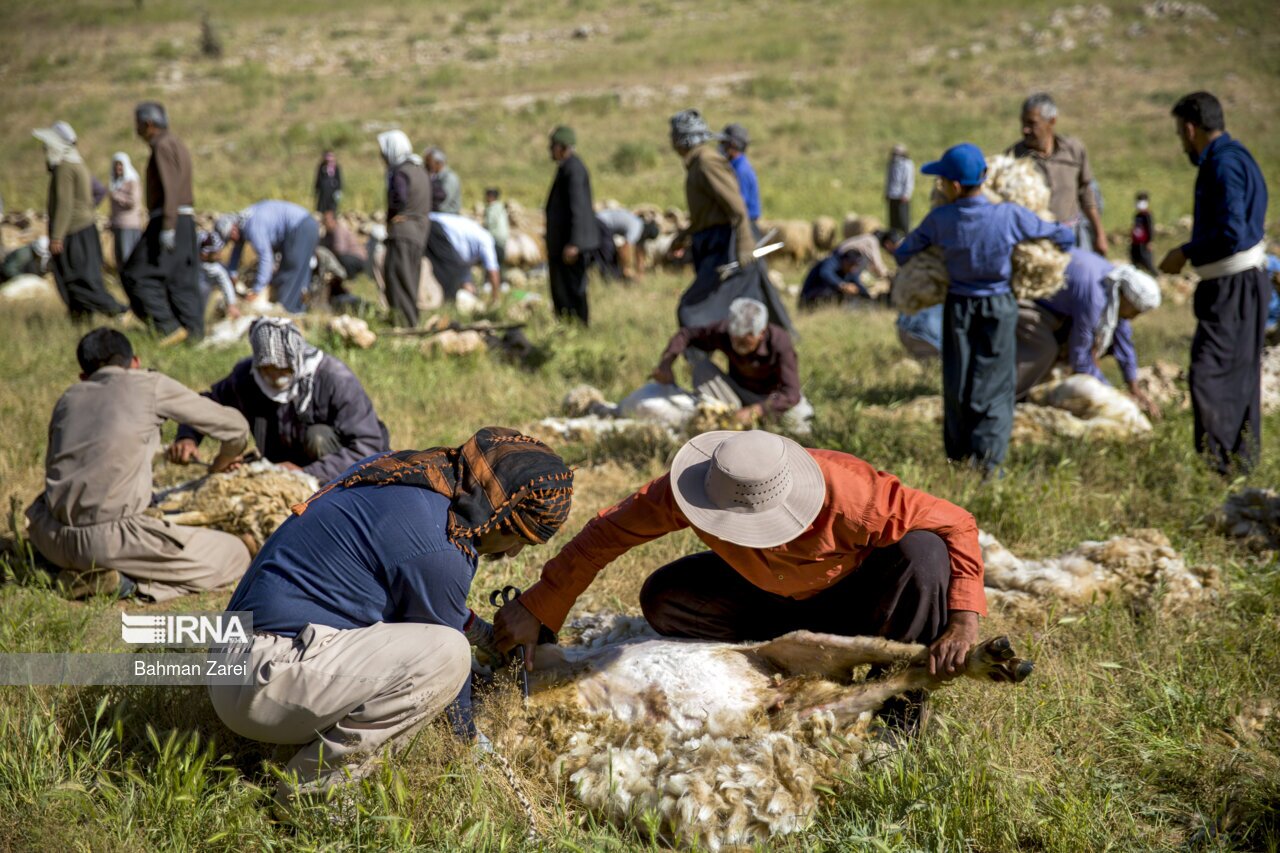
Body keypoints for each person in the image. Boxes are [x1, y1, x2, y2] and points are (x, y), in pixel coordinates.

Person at [494, 428, 987, 737]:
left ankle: (896, 710)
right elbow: (604, 536)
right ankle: (762, 668)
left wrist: (963, 622)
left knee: (922, 554)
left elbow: (957, 523)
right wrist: (538, 606)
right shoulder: (693, 486)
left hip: (855, 601)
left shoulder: (856, 496)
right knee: (665, 598)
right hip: (766, 596)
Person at [209, 427, 574, 803]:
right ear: (500, 512)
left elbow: (412, 594)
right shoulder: (442, 546)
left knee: (444, 647)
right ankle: (311, 795)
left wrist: (482, 634)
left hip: (231, 652)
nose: (513, 553)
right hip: (259, 679)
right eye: (521, 538)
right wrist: (471, 747)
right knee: (448, 655)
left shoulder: (407, 474)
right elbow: (445, 664)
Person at [26, 328, 252, 601]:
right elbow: (236, 428)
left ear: (83, 376)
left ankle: (69, 570)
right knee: (237, 554)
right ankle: (127, 584)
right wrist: (221, 462)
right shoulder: (148, 384)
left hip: (49, 535)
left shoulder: (68, 398)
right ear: (135, 363)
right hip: (112, 541)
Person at [894, 143, 1074, 473]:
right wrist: (1067, 237)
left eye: (943, 181)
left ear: (955, 186)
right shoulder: (1008, 215)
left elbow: (905, 252)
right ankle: (989, 461)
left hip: (960, 306)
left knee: (958, 378)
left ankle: (959, 455)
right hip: (999, 306)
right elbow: (1056, 235)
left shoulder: (941, 219)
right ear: (983, 177)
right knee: (994, 381)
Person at [1158, 91, 1270, 476]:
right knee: (1238, 373)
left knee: (1209, 373)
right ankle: (1240, 462)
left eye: (1180, 133)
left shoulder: (1223, 165)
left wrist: (1186, 251)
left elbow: (1232, 232)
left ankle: (1219, 465)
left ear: (1191, 129)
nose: (1181, 142)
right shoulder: (1239, 157)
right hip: (1241, 284)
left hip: (1233, 288)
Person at [171, 317, 390, 483]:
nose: (276, 377)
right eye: (268, 369)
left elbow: (368, 447)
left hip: (336, 471)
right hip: (281, 466)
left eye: (284, 369)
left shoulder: (334, 379)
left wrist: (305, 473)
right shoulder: (247, 378)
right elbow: (207, 404)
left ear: (297, 360)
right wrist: (188, 437)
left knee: (318, 437)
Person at [1015, 248, 1162, 417]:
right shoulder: (1095, 298)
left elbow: (1123, 339)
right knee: (1044, 348)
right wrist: (1111, 395)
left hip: (1055, 307)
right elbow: (1080, 356)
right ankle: (1009, 398)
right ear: (1126, 298)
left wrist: (1134, 387)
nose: (1133, 317)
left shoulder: (1114, 284)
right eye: (1135, 311)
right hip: (1029, 299)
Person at [652, 297, 812, 434]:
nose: (737, 344)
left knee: (799, 424)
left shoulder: (779, 341)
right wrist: (666, 363)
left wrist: (757, 411)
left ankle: (749, 421)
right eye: (734, 338)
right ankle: (729, 418)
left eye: (744, 340)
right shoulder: (724, 331)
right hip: (736, 393)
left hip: (771, 398)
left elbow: (791, 392)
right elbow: (686, 334)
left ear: (761, 333)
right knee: (702, 368)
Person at [119, 102, 203, 345]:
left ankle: (167, 327)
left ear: (148, 124)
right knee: (181, 280)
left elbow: (170, 189)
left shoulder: (162, 146)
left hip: (169, 218)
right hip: (184, 220)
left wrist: (167, 225)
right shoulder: (176, 143)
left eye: (137, 124)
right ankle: (193, 336)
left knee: (136, 274)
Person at [32, 123, 128, 321]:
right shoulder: (77, 164)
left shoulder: (65, 168)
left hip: (74, 233)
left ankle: (117, 310)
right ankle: (80, 320)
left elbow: (64, 204)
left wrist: (57, 236)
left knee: (76, 281)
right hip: (84, 230)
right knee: (84, 279)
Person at [1006, 93, 1107, 256]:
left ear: (1051, 121)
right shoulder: (1013, 159)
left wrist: (1099, 234)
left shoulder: (1073, 151)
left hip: (1074, 238)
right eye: (1023, 123)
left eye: (1032, 124)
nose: (1025, 130)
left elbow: (1086, 193)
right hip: (1036, 243)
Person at [672, 110, 754, 280]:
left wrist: (745, 243)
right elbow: (705, 214)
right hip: (710, 243)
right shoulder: (696, 163)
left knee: (695, 305)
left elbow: (736, 205)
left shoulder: (706, 162)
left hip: (723, 243)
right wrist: (682, 237)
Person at [217, 200, 320, 315]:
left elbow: (266, 257)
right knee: (297, 271)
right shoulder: (244, 223)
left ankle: (288, 313)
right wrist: (232, 274)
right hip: (305, 225)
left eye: (231, 237)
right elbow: (237, 251)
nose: (233, 241)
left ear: (234, 228)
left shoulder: (253, 226)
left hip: (300, 227)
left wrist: (257, 290)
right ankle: (298, 309)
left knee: (291, 273)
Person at [544, 126, 598, 324]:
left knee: (572, 290)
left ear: (562, 147)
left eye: (553, 146)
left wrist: (575, 242)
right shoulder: (567, 168)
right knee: (561, 290)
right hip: (562, 245)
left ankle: (578, 327)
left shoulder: (573, 169)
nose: (550, 150)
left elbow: (579, 207)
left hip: (569, 245)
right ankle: (567, 326)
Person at [378, 130, 432, 328]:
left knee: (396, 277)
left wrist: (392, 217)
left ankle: (403, 323)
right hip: (420, 232)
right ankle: (410, 320)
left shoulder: (401, 172)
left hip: (402, 232)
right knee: (410, 278)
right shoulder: (420, 170)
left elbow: (398, 199)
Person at [425, 211, 502, 302]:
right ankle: (447, 300)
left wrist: (469, 287)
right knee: (449, 272)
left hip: (434, 224)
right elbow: (493, 271)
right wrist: (495, 298)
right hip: (436, 226)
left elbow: (463, 268)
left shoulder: (474, 249)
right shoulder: (486, 242)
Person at [799, 238, 875, 309]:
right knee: (831, 292)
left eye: (855, 266)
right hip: (809, 297)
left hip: (828, 295)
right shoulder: (831, 261)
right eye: (852, 265)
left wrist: (869, 297)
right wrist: (842, 286)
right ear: (845, 261)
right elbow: (825, 273)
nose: (853, 269)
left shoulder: (850, 270)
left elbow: (857, 284)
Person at [721, 123, 761, 230]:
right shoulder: (735, 167)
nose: (721, 146)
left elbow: (738, 204)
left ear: (732, 145)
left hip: (745, 226)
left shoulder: (740, 171)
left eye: (723, 143)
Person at [108, 152, 144, 270]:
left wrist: (117, 196)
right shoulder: (115, 183)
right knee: (119, 257)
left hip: (129, 224)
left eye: (120, 165)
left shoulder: (132, 181)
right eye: (116, 165)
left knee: (127, 255)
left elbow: (133, 201)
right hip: (118, 224)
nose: (118, 168)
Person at [595, 207, 647, 281]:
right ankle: (610, 279)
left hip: (600, 220)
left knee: (605, 250)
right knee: (609, 253)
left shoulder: (637, 222)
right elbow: (625, 248)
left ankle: (608, 276)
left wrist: (640, 270)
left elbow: (639, 251)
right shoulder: (637, 227)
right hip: (602, 222)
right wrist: (626, 268)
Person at [197, 229, 240, 318]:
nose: (220, 256)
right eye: (216, 253)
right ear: (204, 255)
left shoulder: (215, 268)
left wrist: (231, 304)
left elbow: (225, 282)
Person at [319, 210, 368, 282]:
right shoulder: (329, 233)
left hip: (356, 259)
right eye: (324, 220)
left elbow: (340, 249)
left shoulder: (339, 230)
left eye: (327, 220)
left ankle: (350, 279)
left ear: (333, 221)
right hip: (347, 257)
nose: (325, 223)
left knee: (341, 258)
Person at [885, 143, 915, 234]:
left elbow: (909, 180)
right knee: (893, 220)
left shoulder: (908, 164)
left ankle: (906, 237)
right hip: (892, 195)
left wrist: (906, 194)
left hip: (902, 196)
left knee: (903, 220)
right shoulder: (891, 164)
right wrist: (887, 192)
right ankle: (893, 238)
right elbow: (888, 179)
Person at [425, 147, 462, 214]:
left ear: (438, 163)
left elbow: (443, 202)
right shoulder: (435, 176)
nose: (427, 165)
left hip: (448, 216)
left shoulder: (449, 178)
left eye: (429, 162)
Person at [1130, 191, 1157, 275]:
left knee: (1146, 261)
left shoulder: (1147, 215)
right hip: (1136, 242)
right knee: (1135, 261)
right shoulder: (1137, 215)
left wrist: (1150, 241)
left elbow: (1150, 229)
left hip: (1144, 243)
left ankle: (1155, 276)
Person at [483, 187, 509, 270]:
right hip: (503, 238)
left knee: (493, 261)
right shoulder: (500, 207)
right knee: (500, 261)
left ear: (490, 196)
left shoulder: (492, 208)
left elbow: (489, 224)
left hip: (495, 238)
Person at [313, 150, 343, 214]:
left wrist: (339, 190)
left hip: (333, 190)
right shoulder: (322, 166)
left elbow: (339, 179)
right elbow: (318, 179)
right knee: (322, 207)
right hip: (323, 190)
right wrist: (316, 189)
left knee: (332, 207)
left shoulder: (336, 167)